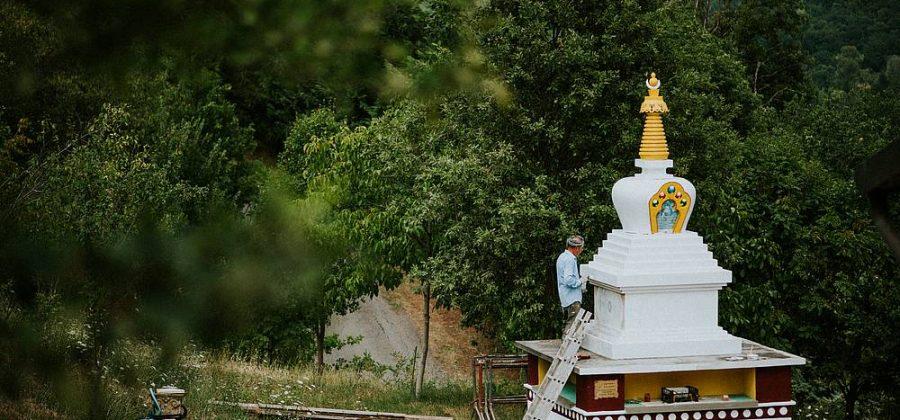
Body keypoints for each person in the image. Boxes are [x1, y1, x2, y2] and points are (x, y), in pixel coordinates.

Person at [557, 235, 588, 334]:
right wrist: (581, 281)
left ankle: (565, 345)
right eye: (581, 248)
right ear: (576, 248)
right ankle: (566, 348)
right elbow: (568, 279)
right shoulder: (570, 259)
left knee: (567, 322)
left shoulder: (562, 257)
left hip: (565, 297)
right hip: (572, 298)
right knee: (571, 326)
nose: (581, 251)